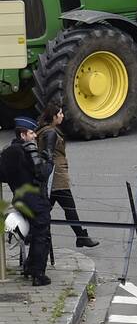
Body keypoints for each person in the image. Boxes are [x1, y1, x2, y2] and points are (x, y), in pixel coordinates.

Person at [0, 117, 54, 285]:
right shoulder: (28, 150)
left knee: (33, 233)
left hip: (19, 198)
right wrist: (50, 159)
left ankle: (29, 266)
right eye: (31, 133)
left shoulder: (8, 152)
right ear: (23, 134)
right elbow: (43, 173)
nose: (34, 137)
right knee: (41, 235)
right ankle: (38, 274)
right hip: (35, 200)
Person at [37, 103, 98, 248]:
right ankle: (81, 236)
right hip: (57, 176)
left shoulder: (44, 130)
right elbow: (48, 154)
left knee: (44, 208)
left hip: (53, 176)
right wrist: (50, 170)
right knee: (69, 208)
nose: (62, 116)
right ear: (53, 117)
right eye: (60, 114)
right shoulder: (51, 132)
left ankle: (31, 233)